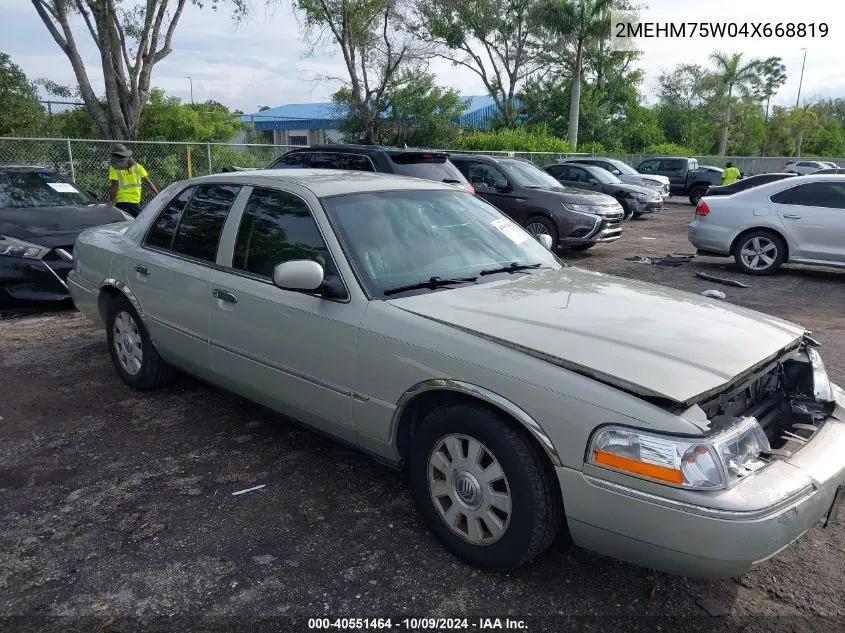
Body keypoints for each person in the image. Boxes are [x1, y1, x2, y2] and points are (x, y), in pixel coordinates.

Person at [107, 144, 158, 217]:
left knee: (122, 225)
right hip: (135, 202)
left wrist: (111, 200)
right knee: (141, 222)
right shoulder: (138, 167)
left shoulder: (114, 168)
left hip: (122, 202)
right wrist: (157, 194)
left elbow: (114, 185)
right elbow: (148, 182)